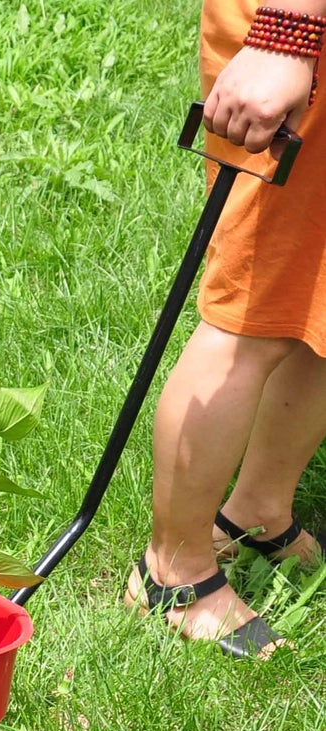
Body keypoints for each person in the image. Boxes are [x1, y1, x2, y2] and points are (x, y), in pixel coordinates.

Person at [128, 2, 326, 657]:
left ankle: (256, 509)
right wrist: (285, 37)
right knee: (251, 317)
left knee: (314, 305)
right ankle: (172, 568)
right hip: (302, 38)